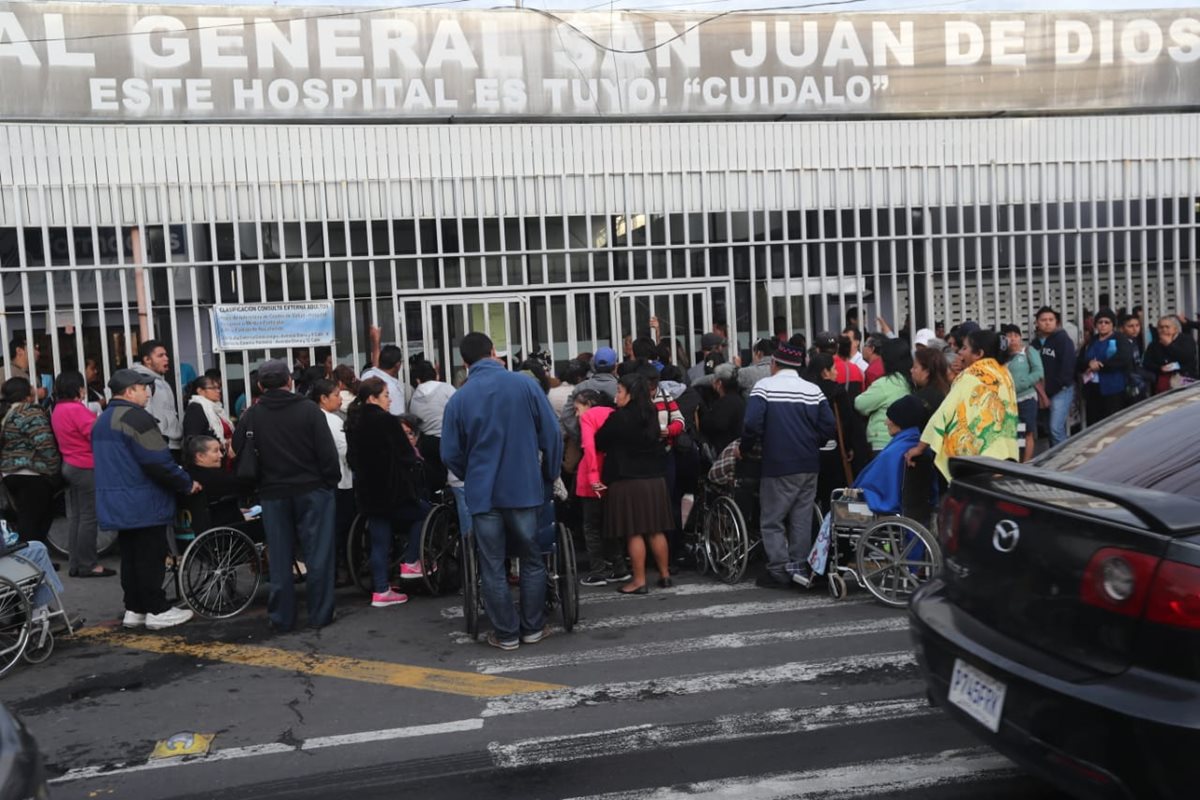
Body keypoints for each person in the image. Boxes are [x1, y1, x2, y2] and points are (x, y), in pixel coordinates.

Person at [441, 332, 563, 650]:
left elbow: (449, 453)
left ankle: (506, 633)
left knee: (492, 564)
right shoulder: (525, 386)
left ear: (465, 363)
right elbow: (551, 434)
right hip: (524, 487)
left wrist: (472, 474)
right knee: (533, 558)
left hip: (483, 493)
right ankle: (533, 627)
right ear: (495, 352)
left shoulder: (459, 399)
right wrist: (549, 473)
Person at [232, 359, 341, 632]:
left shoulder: (252, 415)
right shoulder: (308, 410)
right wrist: (330, 482)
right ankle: (320, 614)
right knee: (319, 555)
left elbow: (237, 447)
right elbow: (327, 453)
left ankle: (281, 617)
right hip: (313, 489)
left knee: (279, 557)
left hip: (272, 493)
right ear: (289, 381)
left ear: (259, 385)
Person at [93, 368, 199, 630]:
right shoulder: (136, 418)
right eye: (143, 388)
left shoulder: (104, 419)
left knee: (130, 556)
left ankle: (135, 608)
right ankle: (157, 609)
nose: (147, 393)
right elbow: (158, 461)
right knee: (151, 555)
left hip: (118, 499)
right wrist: (186, 483)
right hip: (142, 498)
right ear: (129, 392)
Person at [738, 341, 835, 590]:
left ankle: (778, 570)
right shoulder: (813, 390)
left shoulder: (765, 387)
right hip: (809, 463)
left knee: (772, 519)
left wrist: (746, 448)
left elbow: (751, 425)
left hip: (778, 463)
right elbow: (828, 427)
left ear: (773, 363)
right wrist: (813, 442)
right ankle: (798, 566)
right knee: (801, 518)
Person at [345, 378, 429, 608]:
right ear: (372, 398)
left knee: (379, 541)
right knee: (423, 513)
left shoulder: (353, 422)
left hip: (367, 491)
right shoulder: (386, 421)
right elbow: (405, 454)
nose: (389, 399)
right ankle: (411, 562)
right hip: (393, 490)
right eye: (385, 395)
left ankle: (381, 590)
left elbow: (351, 458)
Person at [594, 374, 675, 595]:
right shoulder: (651, 413)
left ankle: (639, 580)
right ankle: (665, 574)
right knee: (655, 530)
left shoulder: (619, 418)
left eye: (619, 391)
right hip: (655, 479)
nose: (616, 396)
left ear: (630, 393)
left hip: (628, 480)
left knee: (634, 532)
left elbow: (599, 440)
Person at [905, 329, 1020, 483]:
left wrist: (920, 447)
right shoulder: (1005, 373)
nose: (959, 352)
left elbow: (945, 412)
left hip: (978, 460)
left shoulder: (972, 374)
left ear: (979, 353)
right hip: (1007, 456)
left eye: (965, 348)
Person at [49, 372, 113, 578]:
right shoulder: (76, 410)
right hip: (85, 466)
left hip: (70, 465)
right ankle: (88, 564)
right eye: (82, 386)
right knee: (88, 518)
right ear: (78, 388)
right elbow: (95, 433)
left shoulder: (58, 409)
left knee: (76, 517)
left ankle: (75, 563)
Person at [0, 377, 61, 548]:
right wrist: (54, 469)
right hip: (31, 473)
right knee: (35, 520)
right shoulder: (29, 412)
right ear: (26, 394)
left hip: (10, 473)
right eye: (31, 387)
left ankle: (36, 559)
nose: (35, 388)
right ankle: (31, 561)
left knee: (26, 518)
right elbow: (44, 442)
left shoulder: (6, 412)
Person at [806, 353, 869, 512]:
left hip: (809, 451)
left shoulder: (806, 389)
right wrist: (848, 447)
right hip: (833, 452)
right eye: (833, 369)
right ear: (825, 372)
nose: (837, 372)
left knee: (810, 500)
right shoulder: (837, 391)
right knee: (833, 498)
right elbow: (846, 423)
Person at [574, 389, 624, 586]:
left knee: (591, 528)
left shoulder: (589, 418)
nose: (577, 414)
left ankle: (598, 571)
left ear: (588, 404)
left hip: (592, 479)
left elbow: (588, 446)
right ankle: (619, 567)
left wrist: (593, 476)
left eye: (577, 409)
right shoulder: (613, 414)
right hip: (614, 475)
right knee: (609, 525)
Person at [309, 379, 354, 576]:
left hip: (319, 480)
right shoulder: (332, 420)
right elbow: (345, 451)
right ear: (323, 398)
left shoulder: (311, 417)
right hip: (341, 480)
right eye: (336, 395)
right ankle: (341, 568)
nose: (340, 399)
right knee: (341, 528)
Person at [853, 339, 913, 455]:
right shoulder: (909, 381)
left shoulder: (886, 383)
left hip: (883, 441)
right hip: (906, 440)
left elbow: (860, 404)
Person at [1030, 306, 1077, 446]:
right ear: (1037, 323)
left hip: (1061, 390)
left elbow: (1067, 368)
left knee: (1056, 429)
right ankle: (1053, 460)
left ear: (1056, 322)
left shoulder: (1063, 340)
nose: (1047, 322)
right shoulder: (1035, 343)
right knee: (1048, 429)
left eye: (1051, 319)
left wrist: (1051, 389)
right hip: (1043, 392)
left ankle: (1064, 461)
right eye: (1043, 320)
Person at [1079, 308, 1133, 425]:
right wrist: (1088, 364)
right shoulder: (1092, 341)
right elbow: (1080, 361)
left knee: (1112, 423)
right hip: (1093, 387)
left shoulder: (1120, 339)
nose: (1103, 325)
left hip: (1113, 388)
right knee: (1094, 423)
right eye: (1100, 322)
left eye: (1107, 322)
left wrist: (1100, 366)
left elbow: (1124, 358)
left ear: (1113, 324)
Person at [1001, 324, 1045, 462]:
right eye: (1009, 336)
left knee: (1027, 431)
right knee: (1012, 432)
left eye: (1016, 335)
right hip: (1008, 401)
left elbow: (1039, 372)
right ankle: (1014, 462)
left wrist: (1023, 383)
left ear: (1020, 337)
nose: (1013, 339)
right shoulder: (1002, 357)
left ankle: (1025, 464)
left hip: (1026, 398)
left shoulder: (1028, 351)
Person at [182, 375, 234, 465]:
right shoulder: (195, 408)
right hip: (208, 462)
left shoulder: (217, 409)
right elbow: (194, 439)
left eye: (218, 388)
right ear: (200, 391)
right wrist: (222, 444)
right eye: (213, 388)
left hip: (223, 457)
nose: (218, 391)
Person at [697, 363, 745, 455]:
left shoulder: (725, 404)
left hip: (726, 453)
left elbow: (714, 425)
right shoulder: (739, 400)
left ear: (719, 383)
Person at [1144, 315, 1198, 395]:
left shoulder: (1186, 339)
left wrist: (1169, 345)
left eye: (1167, 327)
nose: (1164, 330)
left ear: (1175, 329)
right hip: (1163, 381)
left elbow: (1188, 357)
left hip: (1185, 378)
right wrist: (1160, 368)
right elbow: (1147, 363)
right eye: (1161, 327)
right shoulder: (1154, 344)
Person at [363, 326, 406, 416]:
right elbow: (398, 418)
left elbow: (376, 367)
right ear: (398, 365)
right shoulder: (393, 389)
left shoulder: (367, 376)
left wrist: (376, 341)